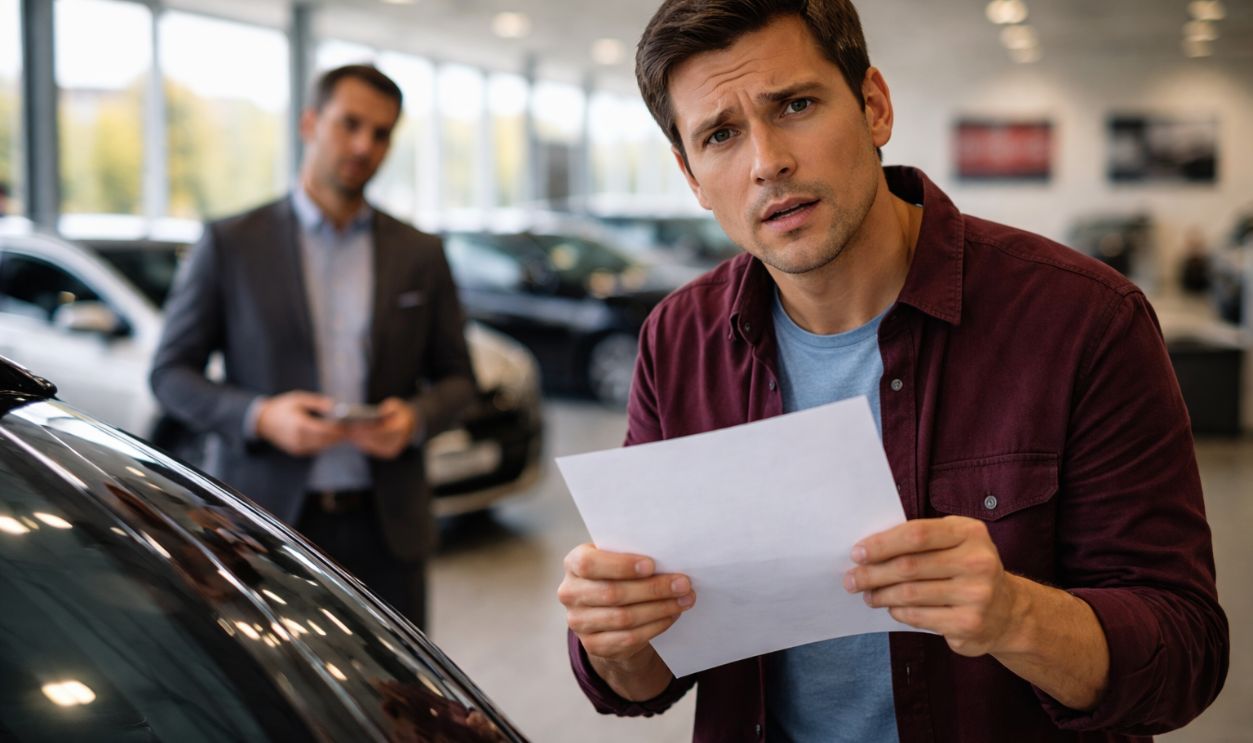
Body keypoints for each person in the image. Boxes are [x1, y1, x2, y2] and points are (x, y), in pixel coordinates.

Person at [556, 1, 1229, 740]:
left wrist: (1014, 614)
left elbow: (1184, 655)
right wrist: (613, 637)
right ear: (690, 175)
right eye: (720, 134)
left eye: (796, 105)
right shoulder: (679, 338)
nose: (766, 161)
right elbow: (641, 680)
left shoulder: (1082, 320)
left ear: (873, 107)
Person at [151, 64, 475, 630]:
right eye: (349, 124)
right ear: (309, 123)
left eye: (381, 133)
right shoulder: (232, 244)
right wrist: (260, 416)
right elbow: (170, 374)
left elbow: (459, 381)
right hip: (262, 525)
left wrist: (415, 418)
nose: (363, 145)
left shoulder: (419, 252)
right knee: (272, 705)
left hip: (388, 531)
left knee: (401, 706)